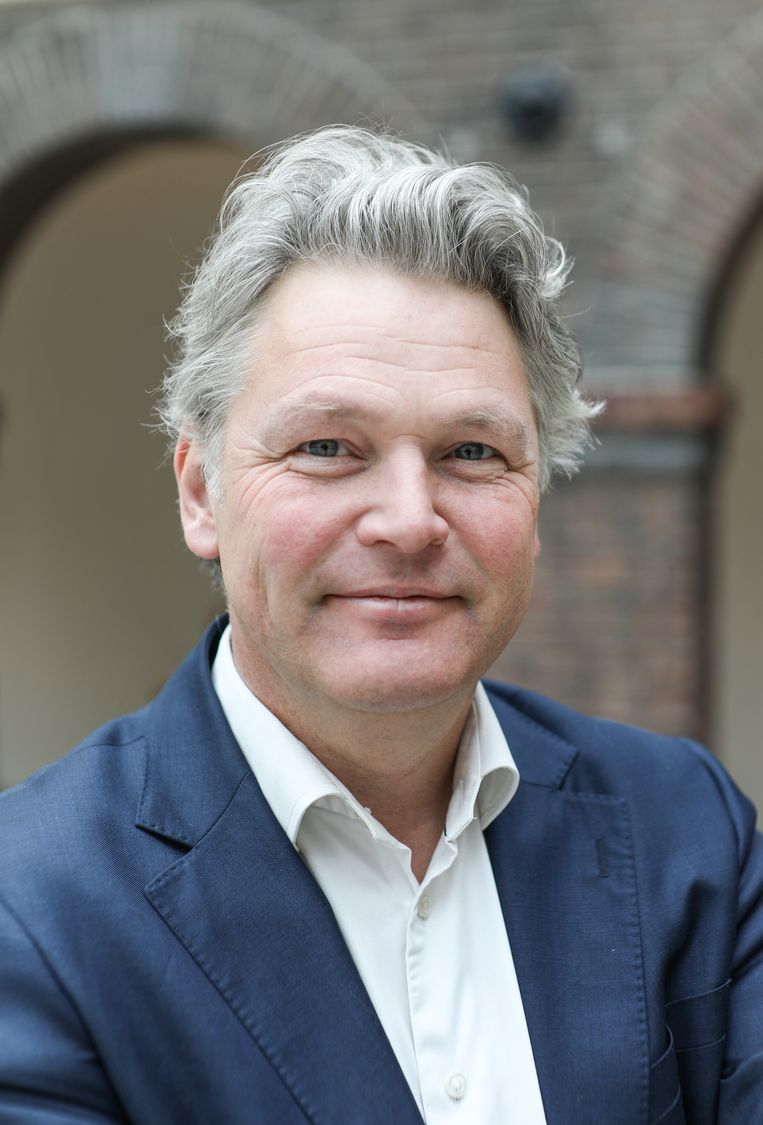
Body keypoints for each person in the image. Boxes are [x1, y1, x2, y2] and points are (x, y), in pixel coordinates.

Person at [0, 126, 761, 1125]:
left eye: (472, 452)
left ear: (537, 495)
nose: (408, 521)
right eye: (328, 446)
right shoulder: (32, 905)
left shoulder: (687, 832)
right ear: (200, 492)